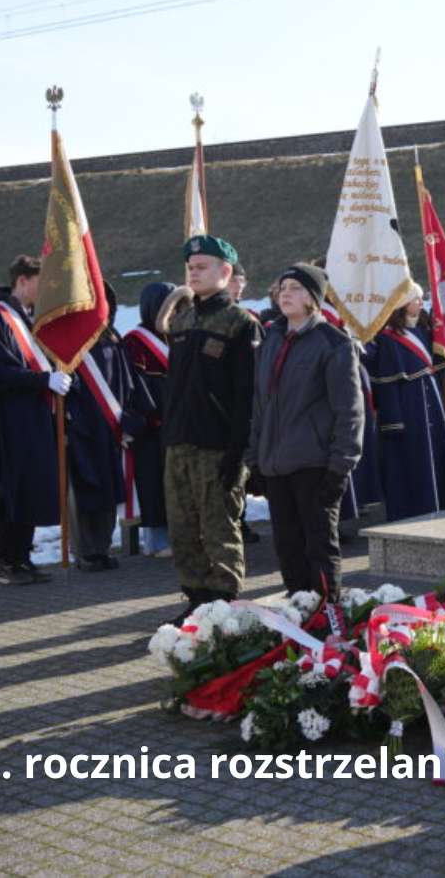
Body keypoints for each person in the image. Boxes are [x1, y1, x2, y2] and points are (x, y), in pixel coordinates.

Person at [247, 264, 364, 596]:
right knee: (287, 547)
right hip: (275, 464)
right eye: (282, 287)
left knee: (319, 548)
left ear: (314, 298)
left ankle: (327, 618)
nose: (286, 293)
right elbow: (260, 404)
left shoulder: (333, 342)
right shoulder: (270, 337)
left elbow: (349, 410)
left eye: (296, 287)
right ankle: (297, 613)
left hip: (315, 464)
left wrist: (341, 464)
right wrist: (255, 457)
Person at [161, 235, 260, 611]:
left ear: (226, 271)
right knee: (183, 529)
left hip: (218, 447)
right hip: (180, 443)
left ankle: (222, 602)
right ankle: (196, 598)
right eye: (191, 267)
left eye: (202, 267)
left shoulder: (239, 324)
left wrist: (238, 453)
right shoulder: (182, 320)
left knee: (219, 528)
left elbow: (248, 395)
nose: (194, 273)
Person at [0, 255, 64, 585]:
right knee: (12, 492)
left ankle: (22, 556)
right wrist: (43, 381)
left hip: (32, 418)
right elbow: (1, 371)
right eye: (41, 281)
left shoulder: (27, 318)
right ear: (22, 280)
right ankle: (5, 560)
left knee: (30, 490)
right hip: (8, 423)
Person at [66, 280, 154, 571]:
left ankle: (102, 547)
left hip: (111, 426)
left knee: (108, 488)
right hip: (81, 428)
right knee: (84, 489)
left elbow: (128, 381)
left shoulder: (113, 337)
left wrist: (131, 417)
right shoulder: (71, 341)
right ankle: (85, 552)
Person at [364, 283, 445, 520]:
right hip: (409, 408)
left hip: (430, 402)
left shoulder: (424, 331)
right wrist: (393, 421)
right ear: (403, 304)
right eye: (416, 299)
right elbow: (386, 382)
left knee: (434, 457)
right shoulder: (388, 338)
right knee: (412, 463)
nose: (420, 303)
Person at [122, 281, 178, 557]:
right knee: (153, 482)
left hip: (178, 425)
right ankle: (157, 539)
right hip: (152, 426)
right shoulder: (135, 341)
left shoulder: (179, 336)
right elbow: (135, 385)